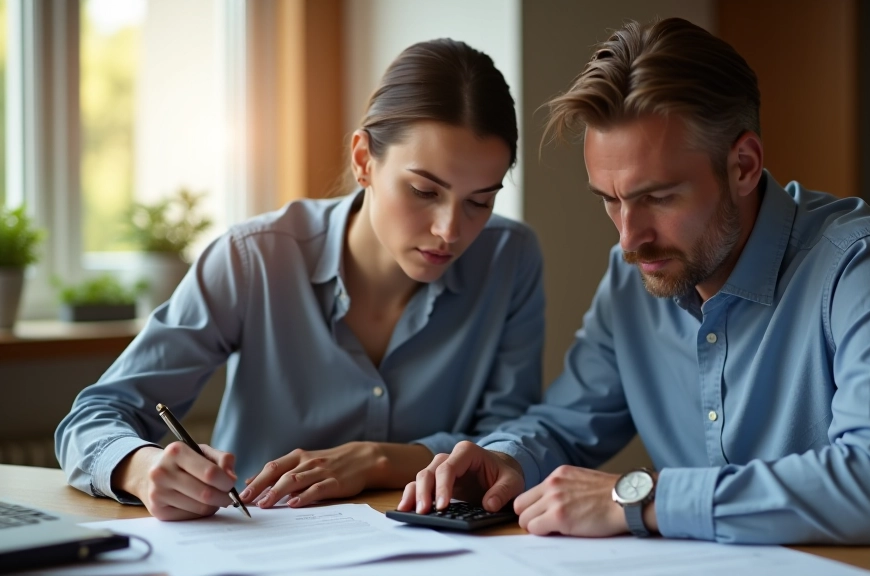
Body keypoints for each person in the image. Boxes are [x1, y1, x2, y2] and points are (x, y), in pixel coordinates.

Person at [399, 18, 870, 545]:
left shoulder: (864, 266)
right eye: (611, 201)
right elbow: (567, 425)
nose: (629, 239)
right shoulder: (635, 279)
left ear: (744, 165)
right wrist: (507, 460)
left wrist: (641, 499)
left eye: (658, 197)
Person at [56, 39, 544, 522]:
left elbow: (508, 440)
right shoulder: (253, 259)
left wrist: (380, 460)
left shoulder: (509, 258)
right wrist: (140, 469)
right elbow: (94, 416)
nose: (450, 230)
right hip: (256, 547)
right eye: (423, 190)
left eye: (480, 200)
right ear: (363, 160)